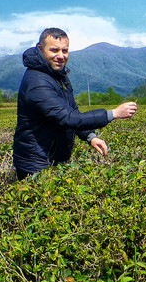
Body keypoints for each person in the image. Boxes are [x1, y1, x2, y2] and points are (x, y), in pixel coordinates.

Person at [12, 27, 137, 179]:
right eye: (54, 50)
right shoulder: (37, 82)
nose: (61, 56)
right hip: (35, 164)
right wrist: (113, 113)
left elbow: (72, 109)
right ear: (40, 49)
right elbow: (69, 118)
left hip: (52, 158)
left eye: (64, 51)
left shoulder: (57, 74)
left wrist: (90, 136)